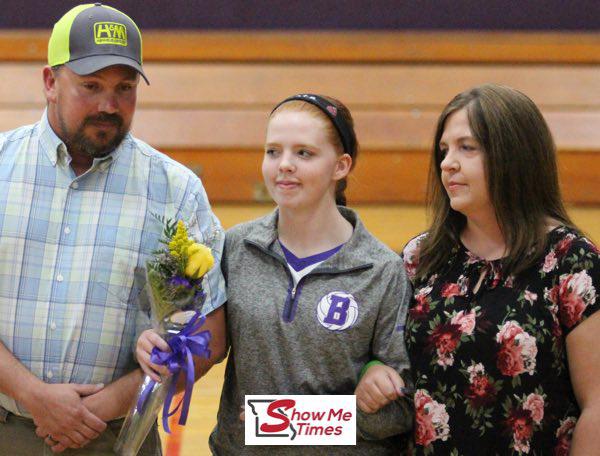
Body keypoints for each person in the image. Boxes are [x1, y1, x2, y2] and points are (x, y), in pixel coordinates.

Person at [0, 4, 226, 455]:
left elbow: (212, 332)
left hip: (118, 437)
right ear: (49, 82)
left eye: (124, 88)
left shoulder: (175, 190)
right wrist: (32, 394)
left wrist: (105, 406)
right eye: (90, 86)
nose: (109, 105)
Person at [138, 93, 414, 453]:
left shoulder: (383, 271)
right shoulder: (235, 248)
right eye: (273, 151)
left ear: (341, 166)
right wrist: (159, 345)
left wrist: (283, 420)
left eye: (304, 153)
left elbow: (402, 414)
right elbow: (203, 343)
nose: (284, 164)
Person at [356, 83, 600, 454]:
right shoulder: (419, 257)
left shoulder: (571, 260)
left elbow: (596, 406)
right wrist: (371, 370)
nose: (447, 163)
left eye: (467, 148)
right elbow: (381, 361)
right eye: (444, 150)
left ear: (514, 155)